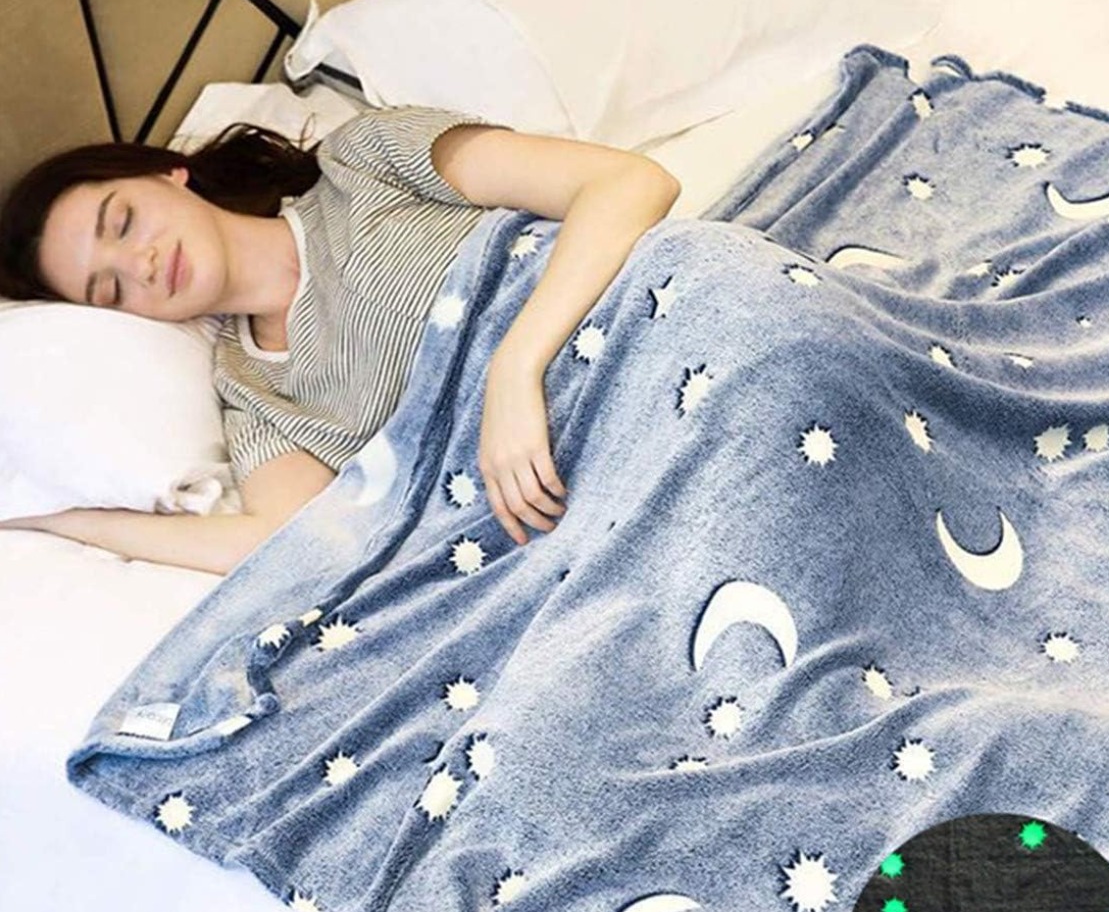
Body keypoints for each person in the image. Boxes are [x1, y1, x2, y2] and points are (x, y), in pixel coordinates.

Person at [0, 106, 681, 575]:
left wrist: (515, 368)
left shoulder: (362, 163)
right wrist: (63, 520)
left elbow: (628, 181)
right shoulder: (251, 392)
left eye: (122, 222)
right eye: (110, 289)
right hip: (596, 482)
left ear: (165, 172)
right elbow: (292, 545)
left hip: (662, 326)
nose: (141, 264)